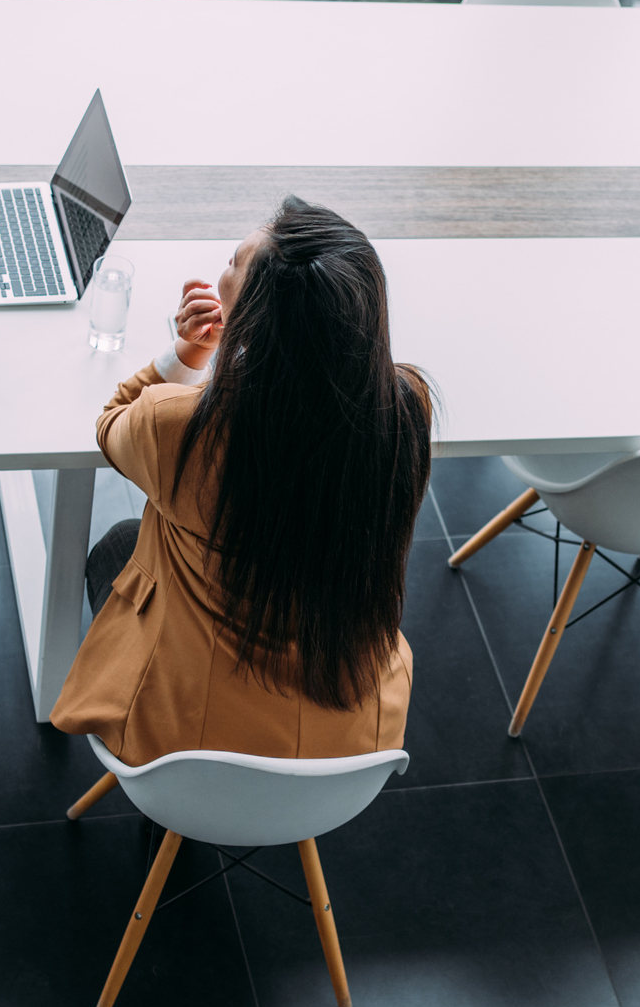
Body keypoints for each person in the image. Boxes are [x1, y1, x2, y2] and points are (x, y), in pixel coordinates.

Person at [52, 198, 434, 763]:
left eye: (232, 263)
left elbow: (112, 425)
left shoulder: (180, 427)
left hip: (186, 745)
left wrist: (190, 355)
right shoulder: (403, 410)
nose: (220, 272)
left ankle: (181, 820)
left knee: (117, 544)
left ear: (255, 320)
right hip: (349, 746)